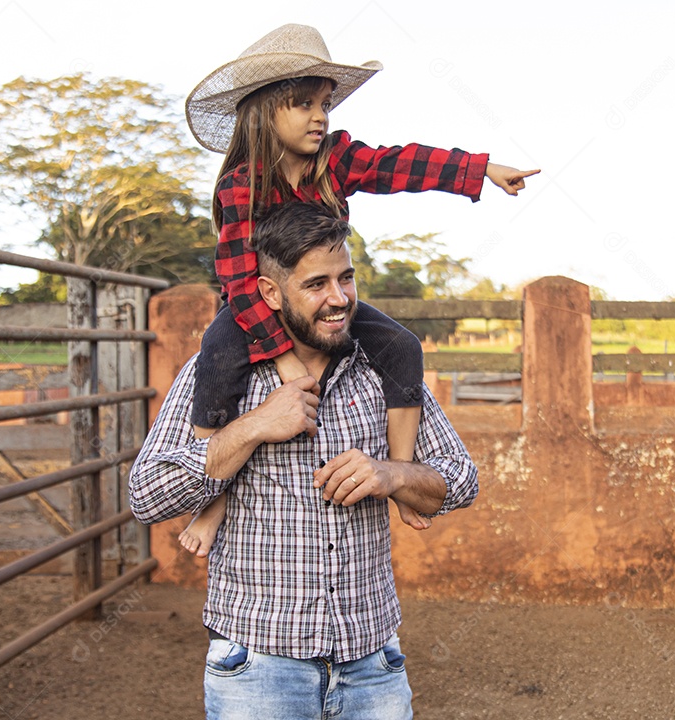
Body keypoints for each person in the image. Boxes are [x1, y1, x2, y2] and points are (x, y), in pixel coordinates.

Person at [178, 22, 537, 558]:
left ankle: (403, 470)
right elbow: (235, 275)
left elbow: (400, 164)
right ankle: (211, 494)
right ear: (263, 112)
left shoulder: (336, 159)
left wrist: (481, 169)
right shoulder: (240, 185)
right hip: (258, 305)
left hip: (321, 302)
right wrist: (284, 361)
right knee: (219, 353)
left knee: (401, 346)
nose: (320, 116)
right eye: (303, 104)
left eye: (325, 104)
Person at [128, 200, 479, 718]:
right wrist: (252, 427)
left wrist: (391, 474)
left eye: (346, 278)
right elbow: (146, 493)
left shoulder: (380, 368)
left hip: (373, 666)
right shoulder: (220, 370)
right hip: (256, 670)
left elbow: (462, 481)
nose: (338, 299)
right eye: (316, 284)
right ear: (269, 292)